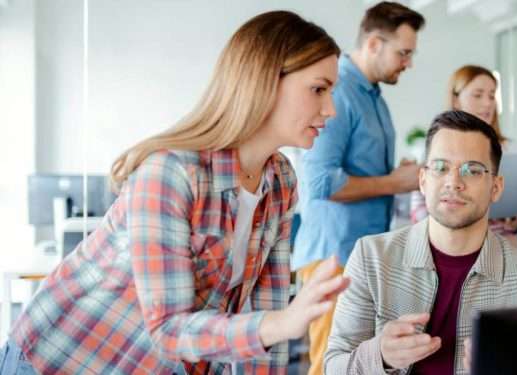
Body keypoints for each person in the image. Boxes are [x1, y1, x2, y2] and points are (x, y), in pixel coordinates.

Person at [0, 11, 350, 374]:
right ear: (264, 80)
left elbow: (266, 312)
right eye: (318, 89)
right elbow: (170, 328)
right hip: (60, 359)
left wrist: (277, 325)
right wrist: (280, 323)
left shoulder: (281, 181)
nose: (331, 109)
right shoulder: (171, 172)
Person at [325, 111, 517, 375]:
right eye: (440, 167)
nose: (454, 182)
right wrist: (381, 355)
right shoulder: (372, 257)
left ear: (496, 187)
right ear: (423, 180)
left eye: (472, 170)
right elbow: (333, 367)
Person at [290, 3, 425, 374]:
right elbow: (318, 181)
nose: (408, 63)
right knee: (330, 365)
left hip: (362, 256)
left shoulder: (373, 96)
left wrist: (395, 175)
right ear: (374, 43)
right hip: (334, 257)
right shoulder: (338, 93)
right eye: (404, 52)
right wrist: (394, 182)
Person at [410, 65, 517, 251]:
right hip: (447, 248)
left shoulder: (515, 149)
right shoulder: (435, 146)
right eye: (478, 95)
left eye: (492, 96)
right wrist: (451, 226)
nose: (487, 103)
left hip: (503, 246)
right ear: (456, 100)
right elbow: (418, 208)